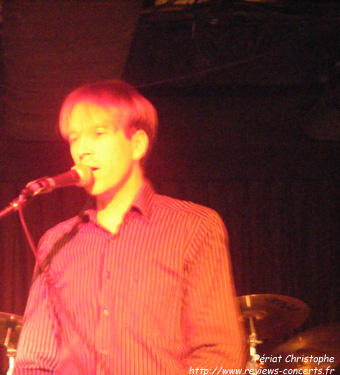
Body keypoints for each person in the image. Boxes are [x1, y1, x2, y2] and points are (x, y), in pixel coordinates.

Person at [13, 80, 246, 374]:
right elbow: (33, 361)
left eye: (98, 134)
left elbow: (218, 354)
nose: (82, 149)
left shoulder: (194, 226)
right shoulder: (55, 242)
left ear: (137, 144)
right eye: (74, 139)